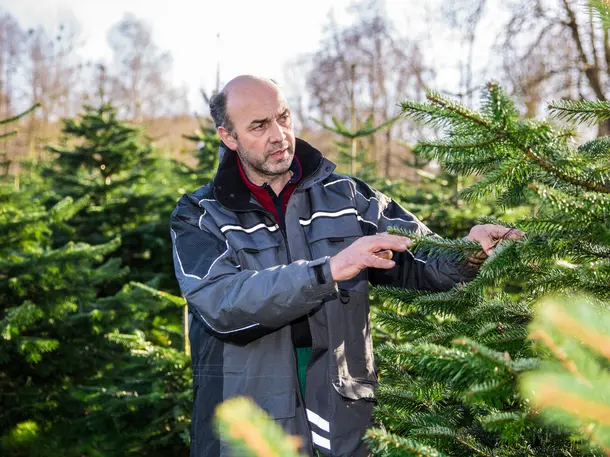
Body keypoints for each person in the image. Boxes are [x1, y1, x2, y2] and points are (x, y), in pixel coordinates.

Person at [170, 75, 523, 457]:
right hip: (247, 426)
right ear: (228, 137)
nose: (279, 134)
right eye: (259, 125)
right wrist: (328, 270)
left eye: (284, 117)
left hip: (341, 417)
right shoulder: (200, 215)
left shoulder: (349, 198)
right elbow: (220, 303)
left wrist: (468, 250)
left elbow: (427, 261)